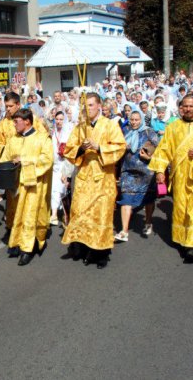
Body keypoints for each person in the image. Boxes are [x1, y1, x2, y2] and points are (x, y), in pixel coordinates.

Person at [149, 94, 193, 264]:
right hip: (180, 175)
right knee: (181, 208)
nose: (188, 109)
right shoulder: (173, 127)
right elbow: (164, 149)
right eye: (185, 106)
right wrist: (159, 170)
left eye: (191, 106)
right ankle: (183, 240)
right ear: (181, 107)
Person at [61, 93, 126, 269]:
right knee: (82, 215)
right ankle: (87, 248)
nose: (87, 109)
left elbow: (120, 147)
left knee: (102, 216)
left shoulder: (110, 125)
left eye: (91, 105)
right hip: (84, 179)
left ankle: (102, 253)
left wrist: (99, 147)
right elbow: (68, 150)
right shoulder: (80, 128)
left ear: (99, 106)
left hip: (103, 178)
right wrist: (81, 148)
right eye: (85, 106)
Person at [0, 108, 53, 266]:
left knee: (30, 217)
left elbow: (47, 159)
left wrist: (24, 160)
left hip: (34, 187)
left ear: (27, 121)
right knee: (18, 216)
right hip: (16, 188)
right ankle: (18, 243)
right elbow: (5, 160)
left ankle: (27, 249)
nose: (13, 125)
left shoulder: (42, 138)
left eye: (16, 122)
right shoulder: (13, 140)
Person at [116, 111, 159, 241]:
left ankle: (148, 222)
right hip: (128, 170)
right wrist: (123, 147)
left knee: (148, 199)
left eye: (137, 120)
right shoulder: (125, 131)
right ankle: (124, 231)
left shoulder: (149, 132)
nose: (134, 122)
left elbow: (159, 148)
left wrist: (149, 156)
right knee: (126, 198)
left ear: (141, 120)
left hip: (146, 172)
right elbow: (117, 146)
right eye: (132, 119)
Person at [50, 111, 72, 226]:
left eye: (61, 119)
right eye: (57, 119)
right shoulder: (53, 133)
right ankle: (53, 214)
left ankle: (66, 214)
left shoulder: (68, 134)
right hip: (55, 165)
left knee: (63, 190)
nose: (58, 121)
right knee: (54, 189)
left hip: (65, 164)